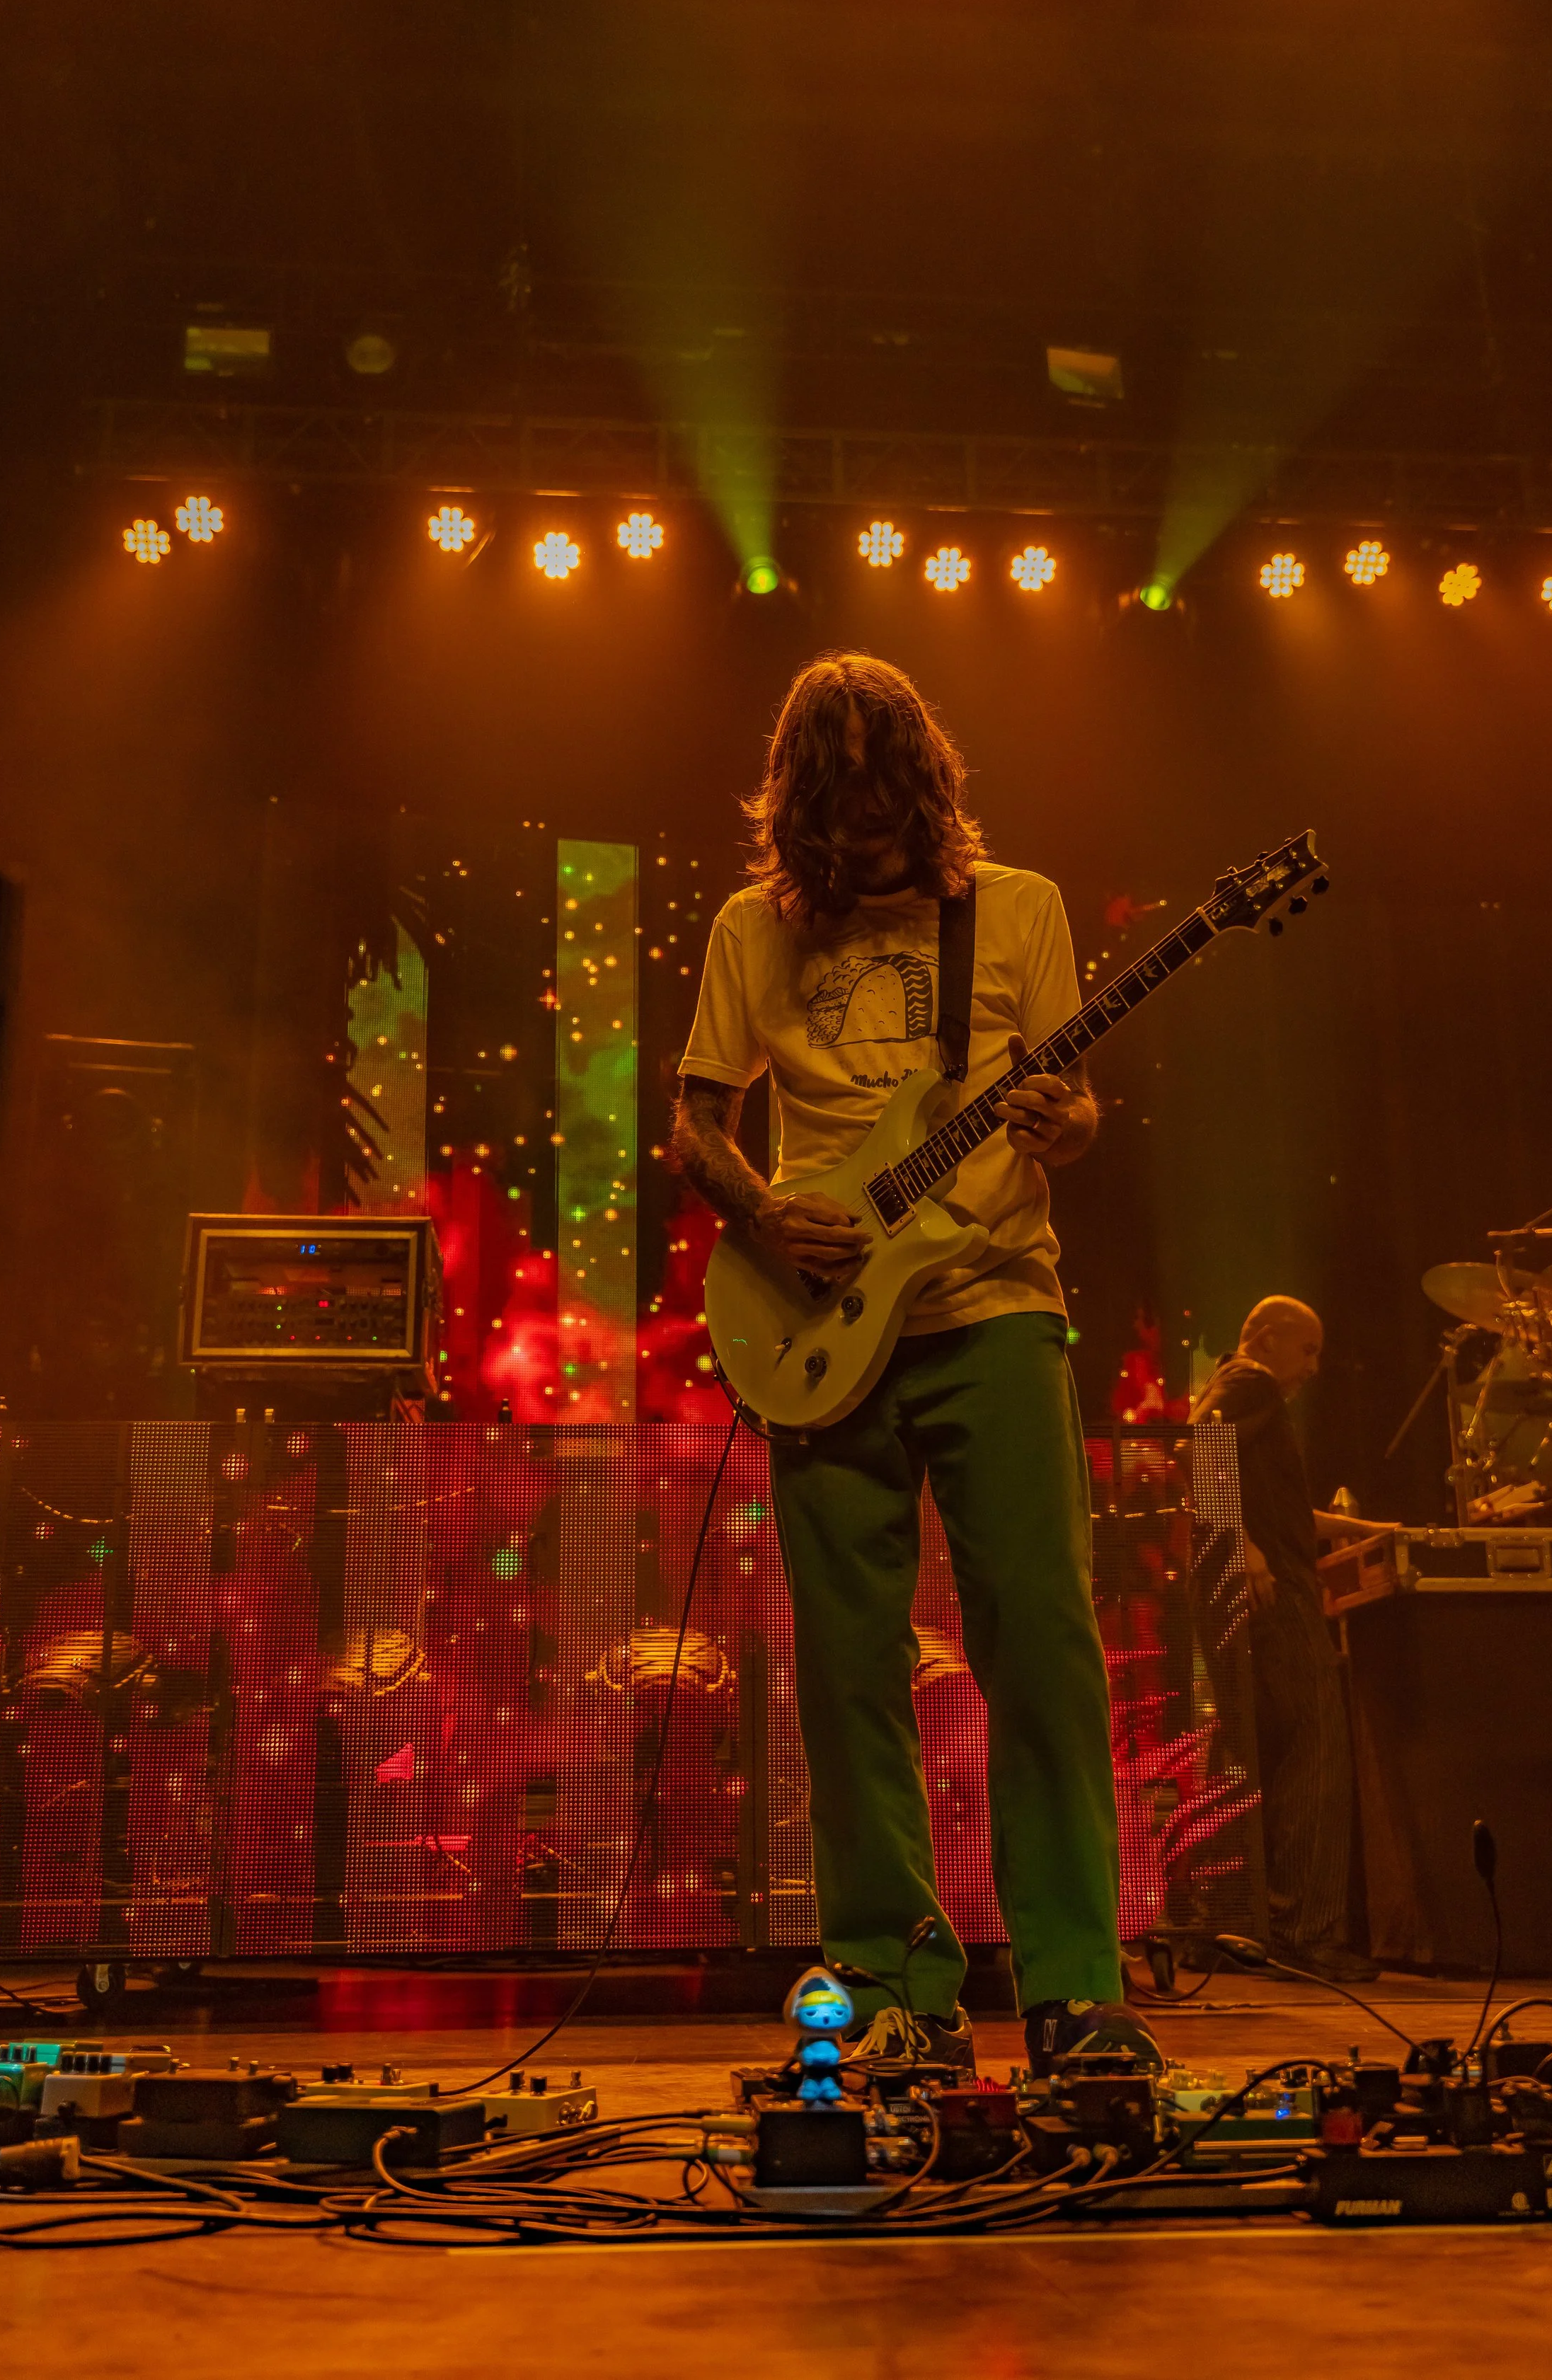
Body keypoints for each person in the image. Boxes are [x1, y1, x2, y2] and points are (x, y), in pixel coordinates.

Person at [673, 651, 1154, 2076]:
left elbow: (1062, 1109)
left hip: (996, 1299)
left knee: (1043, 1640)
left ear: (929, 793)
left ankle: (1071, 1978)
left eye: (890, 815)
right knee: (847, 1666)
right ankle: (891, 1975)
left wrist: (1066, 1126)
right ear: (800, 813)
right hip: (818, 1329)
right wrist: (761, 1210)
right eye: (842, 822)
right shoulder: (747, 930)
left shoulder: (1017, 912)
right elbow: (696, 1118)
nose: (868, 844)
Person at [1192, 1297, 1375, 1984]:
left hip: (1240, 1587)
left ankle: (1225, 1922)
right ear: (1267, 1339)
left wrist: (1366, 1533)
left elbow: (1279, 1505)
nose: (1314, 1368)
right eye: (1308, 1350)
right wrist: (1252, 1552)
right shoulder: (1252, 1381)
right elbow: (1198, 1452)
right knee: (1316, 1746)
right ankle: (1306, 1929)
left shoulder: (1238, 1391)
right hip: (1272, 1594)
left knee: (1245, 1758)